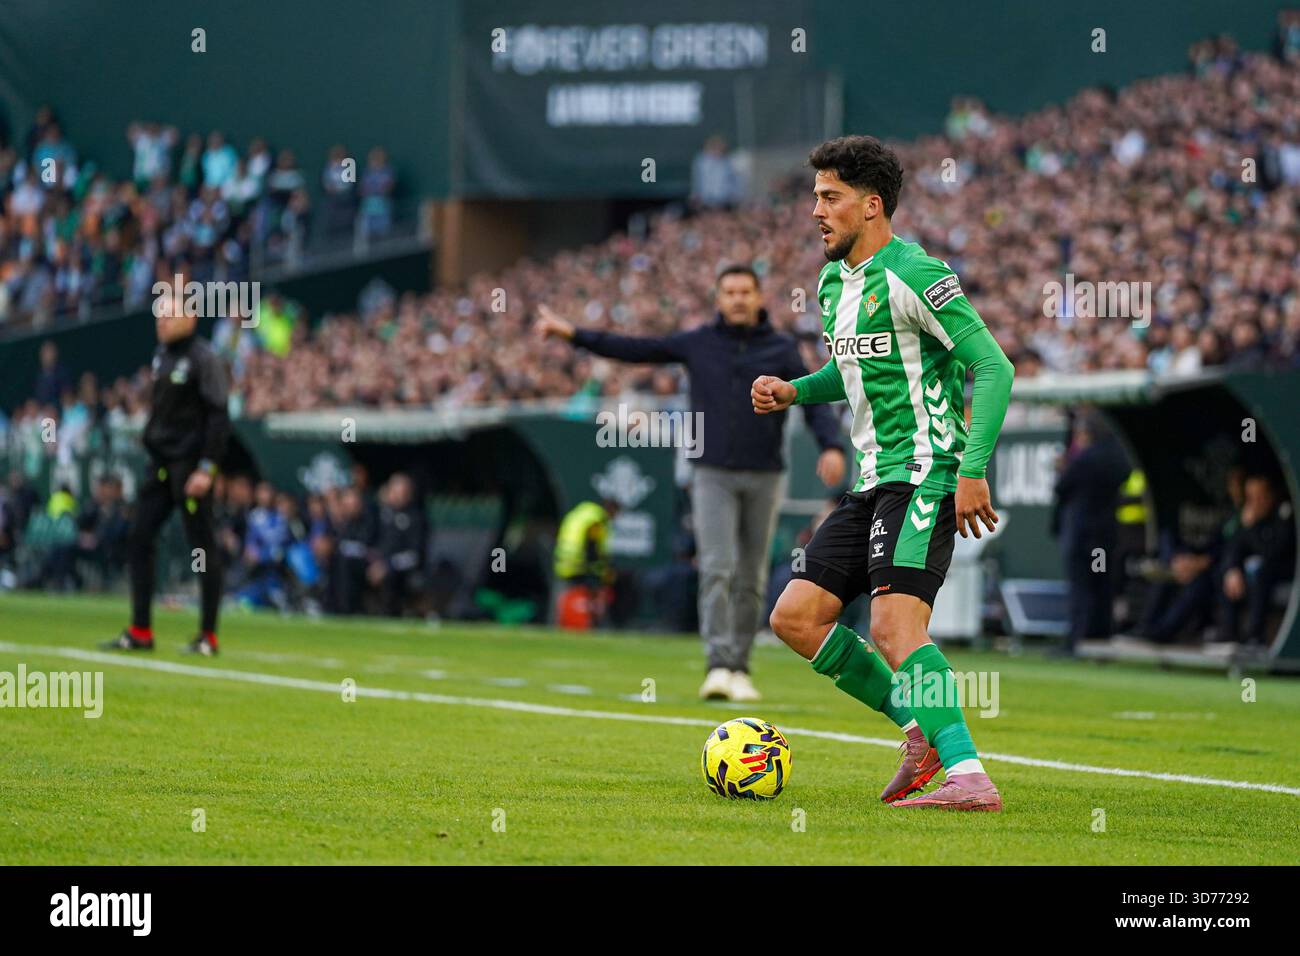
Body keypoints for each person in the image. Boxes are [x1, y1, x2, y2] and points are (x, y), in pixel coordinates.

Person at [753, 135, 1014, 811]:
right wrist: (795, 392)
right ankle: (917, 735)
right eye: (815, 196)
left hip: (926, 473)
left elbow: (993, 365)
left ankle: (968, 777)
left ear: (872, 205)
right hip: (871, 482)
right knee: (795, 617)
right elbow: (851, 370)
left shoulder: (917, 274)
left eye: (830, 197)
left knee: (897, 630)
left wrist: (972, 470)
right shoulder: (833, 280)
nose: (817, 210)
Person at [536, 266, 846, 701]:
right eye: (730, 292)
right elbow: (635, 348)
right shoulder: (698, 342)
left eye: (745, 291)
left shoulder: (781, 348)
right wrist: (572, 333)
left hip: (765, 473)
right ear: (718, 299)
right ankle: (719, 664)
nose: (738, 299)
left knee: (752, 574)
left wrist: (832, 446)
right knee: (717, 566)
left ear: (759, 298)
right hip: (711, 473)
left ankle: (740, 667)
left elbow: (810, 399)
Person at [103, 293, 229, 655]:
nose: (160, 320)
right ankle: (140, 629)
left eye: (169, 314)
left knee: (202, 547)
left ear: (190, 318)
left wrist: (207, 467)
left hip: (189, 467)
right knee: (139, 536)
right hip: (159, 464)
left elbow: (219, 417)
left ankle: (209, 635)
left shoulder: (205, 359)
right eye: (159, 314)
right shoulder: (162, 356)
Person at [1051, 411, 1129, 654]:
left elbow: (1062, 487)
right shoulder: (1118, 456)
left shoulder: (1084, 459)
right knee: (1102, 584)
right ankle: (1100, 636)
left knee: (1080, 587)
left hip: (1081, 532)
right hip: (1105, 534)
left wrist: (1064, 467)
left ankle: (1076, 640)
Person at [1216, 473, 1295, 645]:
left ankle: (1255, 637)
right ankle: (1229, 633)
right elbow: (1235, 549)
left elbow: (1273, 553)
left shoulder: (1285, 513)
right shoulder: (1249, 516)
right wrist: (1232, 569)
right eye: (1251, 497)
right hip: (1259, 572)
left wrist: (1251, 527)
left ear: (1271, 495)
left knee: (1260, 572)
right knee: (1228, 571)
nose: (1255, 502)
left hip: (1285, 570)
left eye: (1260, 496)